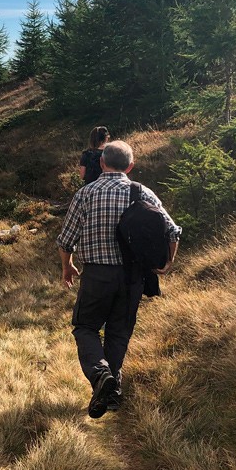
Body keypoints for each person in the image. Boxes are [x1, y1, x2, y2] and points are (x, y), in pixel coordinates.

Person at [56, 140, 181, 418]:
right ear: (131, 166)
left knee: (85, 327)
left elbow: (65, 241)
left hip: (97, 275)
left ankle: (101, 376)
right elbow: (172, 232)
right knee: (118, 331)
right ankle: (112, 392)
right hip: (132, 278)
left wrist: (68, 266)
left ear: (101, 163)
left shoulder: (85, 193)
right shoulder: (143, 193)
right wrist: (167, 263)